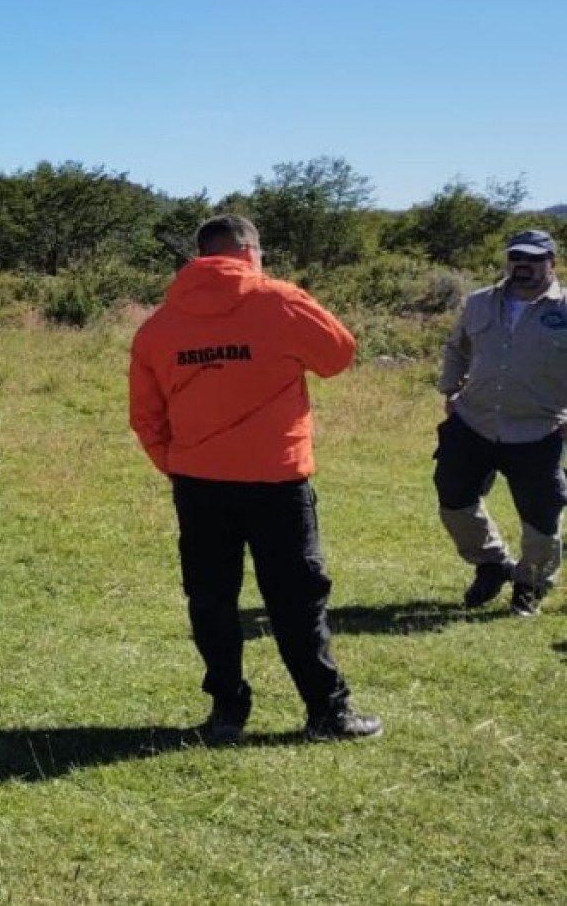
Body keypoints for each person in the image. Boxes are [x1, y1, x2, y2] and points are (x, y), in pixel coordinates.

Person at [128, 214, 380, 744]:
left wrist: (176, 463)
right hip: (276, 480)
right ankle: (327, 712)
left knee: (212, 598)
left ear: (199, 256)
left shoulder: (158, 326)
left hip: (198, 483)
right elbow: (339, 356)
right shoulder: (281, 301)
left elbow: (145, 416)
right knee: (295, 597)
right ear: (250, 252)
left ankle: (226, 712)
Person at [432, 228, 567, 617]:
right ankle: (491, 564)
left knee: (541, 517)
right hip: (473, 422)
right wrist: (450, 390)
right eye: (516, 257)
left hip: (539, 430)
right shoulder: (479, 303)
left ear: (551, 263)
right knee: (453, 500)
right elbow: (457, 347)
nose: (523, 265)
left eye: (534, 258)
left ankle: (530, 586)